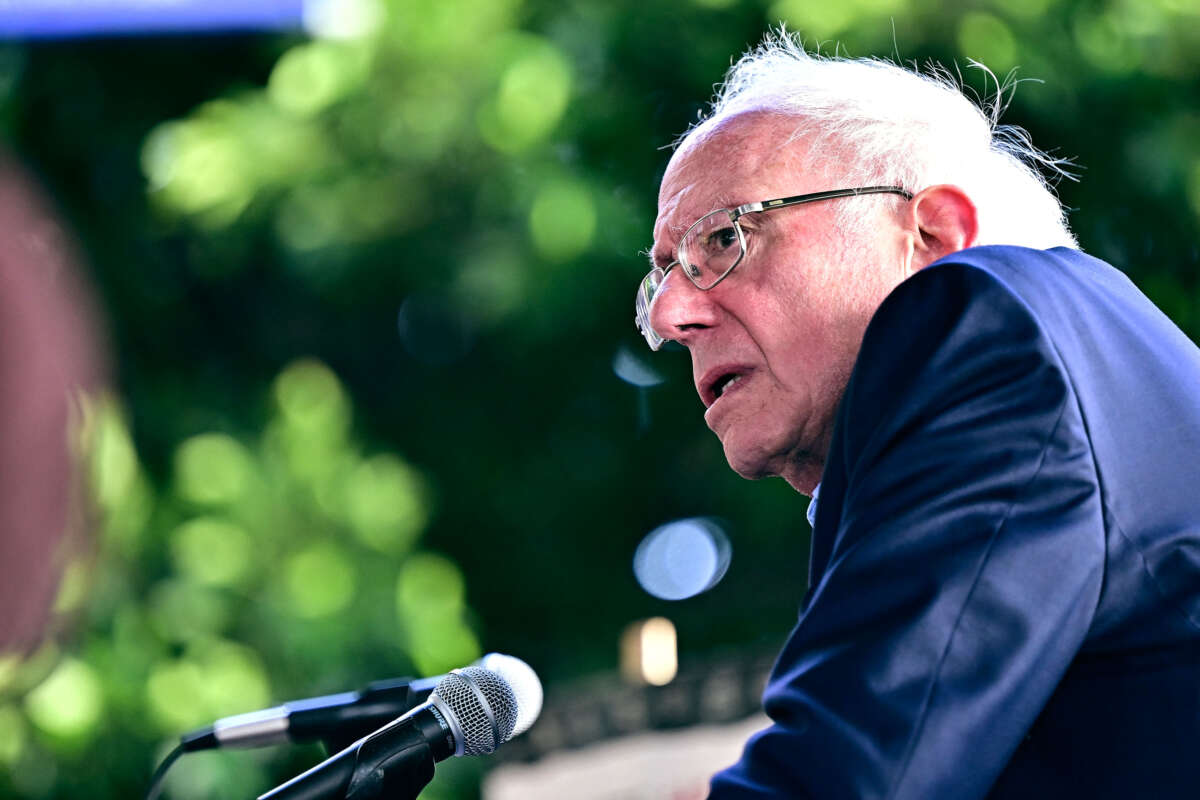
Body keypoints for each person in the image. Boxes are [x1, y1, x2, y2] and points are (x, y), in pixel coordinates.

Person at [635, 33, 1200, 799]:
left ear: (932, 234)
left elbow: (852, 782)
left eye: (725, 238)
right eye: (664, 276)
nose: (670, 314)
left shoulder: (986, 325)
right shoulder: (1088, 366)